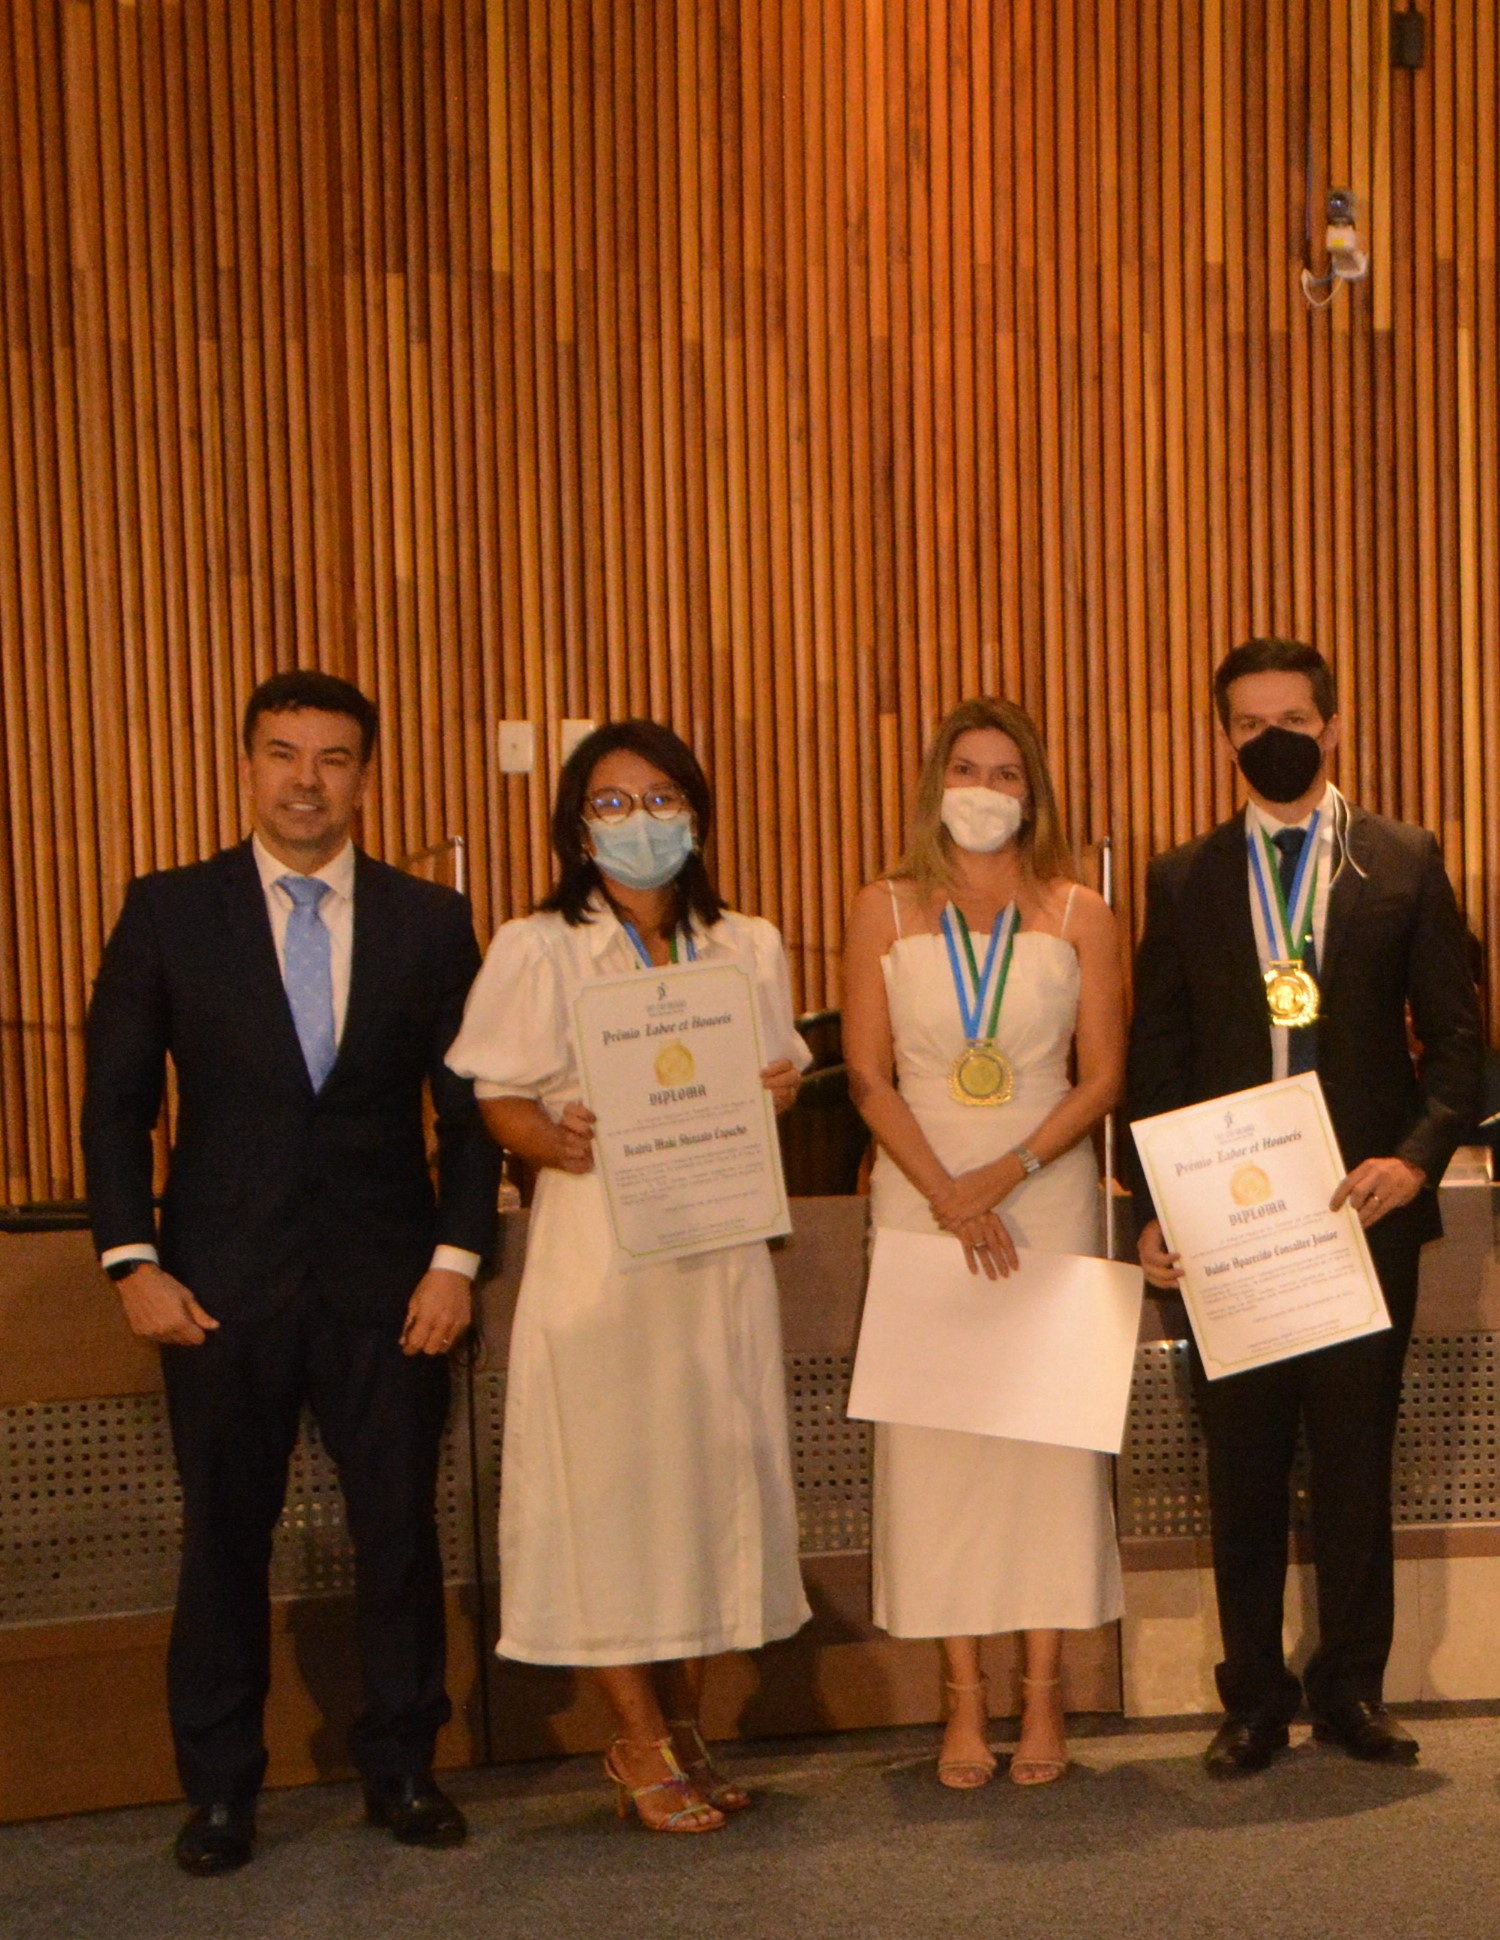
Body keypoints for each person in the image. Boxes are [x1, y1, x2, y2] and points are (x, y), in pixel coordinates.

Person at [80, 670, 501, 1875]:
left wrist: (457, 1261)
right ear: (248, 766)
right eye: (283, 755)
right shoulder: (168, 910)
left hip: (391, 1289)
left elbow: (468, 1119)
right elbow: (116, 1110)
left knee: (400, 1537)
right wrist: (130, 1262)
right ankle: (218, 1792)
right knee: (224, 1539)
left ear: (366, 774)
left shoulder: (431, 921)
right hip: (217, 1291)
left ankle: (405, 1768)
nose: (306, 781)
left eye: (332, 758)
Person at [1123, 638, 1484, 1778]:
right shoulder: (1182, 879)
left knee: (1351, 1458)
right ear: (1221, 737)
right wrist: (1153, 1210)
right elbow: (1156, 1058)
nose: (1268, 737)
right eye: (1244, 722)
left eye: (1290, 716)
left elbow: (1461, 1043)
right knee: (1240, 1459)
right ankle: (1252, 1697)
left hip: (1360, 1210)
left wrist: (1416, 1159)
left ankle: (1352, 1689)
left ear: (1332, 726)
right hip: (1224, 1222)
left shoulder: (1405, 860)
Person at [449, 722, 808, 1835]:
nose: (638, 821)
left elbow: (785, 1075)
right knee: (606, 1493)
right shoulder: (536, 945)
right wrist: (550, 1138)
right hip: (599, 1253)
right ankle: (638, 1737)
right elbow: (494, 1094)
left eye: (659, 798)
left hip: (716, 1247)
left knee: (706, 1489)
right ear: (573, 824)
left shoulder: (747, 942)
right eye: (610, 803)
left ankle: (687, 1726)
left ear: (696, 812)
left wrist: (772, 1094)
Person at [839, 698, 1129, 1791]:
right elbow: (866, 1075)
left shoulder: (1078, 913)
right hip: (919, 1202)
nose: (986, 788)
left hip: (1045, 1195)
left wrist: (1001, 1177)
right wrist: (945, 1192)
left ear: (1033, 792)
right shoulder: (885, 909)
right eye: (967, 767)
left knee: (1045, 1455)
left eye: (1008, 772)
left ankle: (1043, 1695)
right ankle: (961, 1704)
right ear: (934, 782)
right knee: (942, 1455)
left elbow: (1101, 1074)